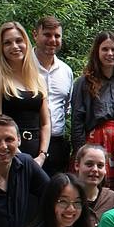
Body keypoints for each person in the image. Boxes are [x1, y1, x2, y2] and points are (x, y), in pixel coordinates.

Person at [72, 31, 114, 199]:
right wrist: (80, 151)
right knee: (93, 188)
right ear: (97, 52)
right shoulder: (84, 83)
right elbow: (77, 119)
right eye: (105, 49)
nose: (110, 54)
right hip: (95, 142)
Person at [0, 21, 50, 164]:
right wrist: (22, 158)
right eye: (7, 43)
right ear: (1, 48)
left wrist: (42, 156)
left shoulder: (38, 79)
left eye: (19, 41)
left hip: (38, 158)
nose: (15, 46)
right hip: (6, 157)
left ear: (26, 43)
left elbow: (45, 123)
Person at [32, 16, 75, 175]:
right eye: (47, 35)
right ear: (35, 35)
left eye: (57, 36)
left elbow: (66, 107)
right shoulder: (22, 67)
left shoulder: (66, 71)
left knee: (56, 195)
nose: (53, 40)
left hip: (57, 144)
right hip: (28, 141)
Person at [73, 144, 114, 227]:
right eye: (89, 164)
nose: (95, 169)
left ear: (105, 169)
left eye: (100, 166)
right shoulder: (68, 197)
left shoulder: (111, 198)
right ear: (77, 166)